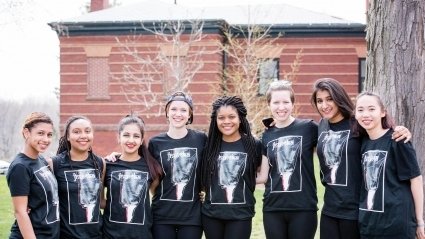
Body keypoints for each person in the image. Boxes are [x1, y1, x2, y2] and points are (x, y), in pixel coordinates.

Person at [311, 78, 411, 239]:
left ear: (339, 98)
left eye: (330, 99)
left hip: (356, 211)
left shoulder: (357, 123)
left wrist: (401, 130)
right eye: (319, 101)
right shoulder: (321, 125)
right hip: (329, 209)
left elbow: (381, 134)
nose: (324, 105)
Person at [353, 92, 424, 239]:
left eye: (372, 109)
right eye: (360, 110)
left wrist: (420, 222)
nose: (366, 114)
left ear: (383, 112)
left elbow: (415, 180)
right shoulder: (361, 143)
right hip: (369, 224)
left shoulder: (397, 139)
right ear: (355, 114)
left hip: (397, 225)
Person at [257, 81, 318, 239]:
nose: (281, 107)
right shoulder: (266, 135)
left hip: (303, 208)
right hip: (273, 208)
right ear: (269, 104)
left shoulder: (309, 128)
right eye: (276, 102)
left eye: (286, 102)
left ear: (293, 103)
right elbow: (263, 176)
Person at [200, 95, 263, 239]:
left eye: (231, 117)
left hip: (241, 214)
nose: (226, 121)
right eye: (221, 118)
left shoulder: (254, 145)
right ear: (215, 120)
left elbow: (260, 174)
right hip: (211, 215)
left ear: (240, 118)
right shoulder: (209, 146)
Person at [148, 91, 207, 239]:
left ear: (189, 115)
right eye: (173, 109)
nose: (178, 114)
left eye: (183, 110)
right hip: (162, 216)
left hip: (192, 217)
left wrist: (206, 191)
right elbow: (145, 171)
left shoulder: (200, 139)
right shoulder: (155, 143)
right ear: (167, 112)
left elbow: (210, 167)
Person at [101, 114, 162, 239]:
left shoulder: (151, 167)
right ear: (119, 137)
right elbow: (101, 202)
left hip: (141, 234)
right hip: (111, 234)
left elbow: (156, 197)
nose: (131, 140)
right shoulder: (107, 165)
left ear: (141, 140)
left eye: (136, 136)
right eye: (126, 135)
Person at [48, 115, 104, 239]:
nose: (83, 135)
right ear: (68, 136)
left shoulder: (100, 163)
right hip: (66, 235)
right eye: (76, 132)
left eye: (87, 131)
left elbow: (101, 202)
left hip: (96, 235)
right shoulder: (54, 164)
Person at [6, 112, 60, 239]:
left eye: (49, 135)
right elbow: (20, 212)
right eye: (40, 133)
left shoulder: (40, 160)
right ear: (26, 133)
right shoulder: (20, 166)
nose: (46, 139)